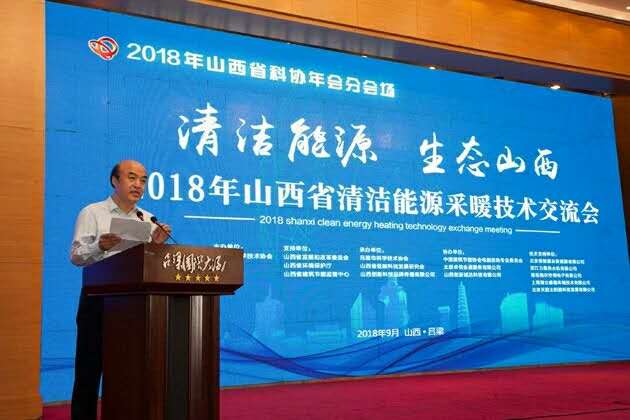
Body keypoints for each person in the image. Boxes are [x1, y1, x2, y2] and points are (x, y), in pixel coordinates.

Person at [69, 160, 171, 420]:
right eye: (132, 178)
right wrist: (99, 247)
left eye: (143, 180)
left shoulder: (147, 219)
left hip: (135, 304)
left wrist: (156, 245)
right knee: (89, 369)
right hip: (98, 301)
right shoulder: (93, 213)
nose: (138, 185)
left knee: (129, 370)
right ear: (114, 181)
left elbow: (148, 264)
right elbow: (76, 256)